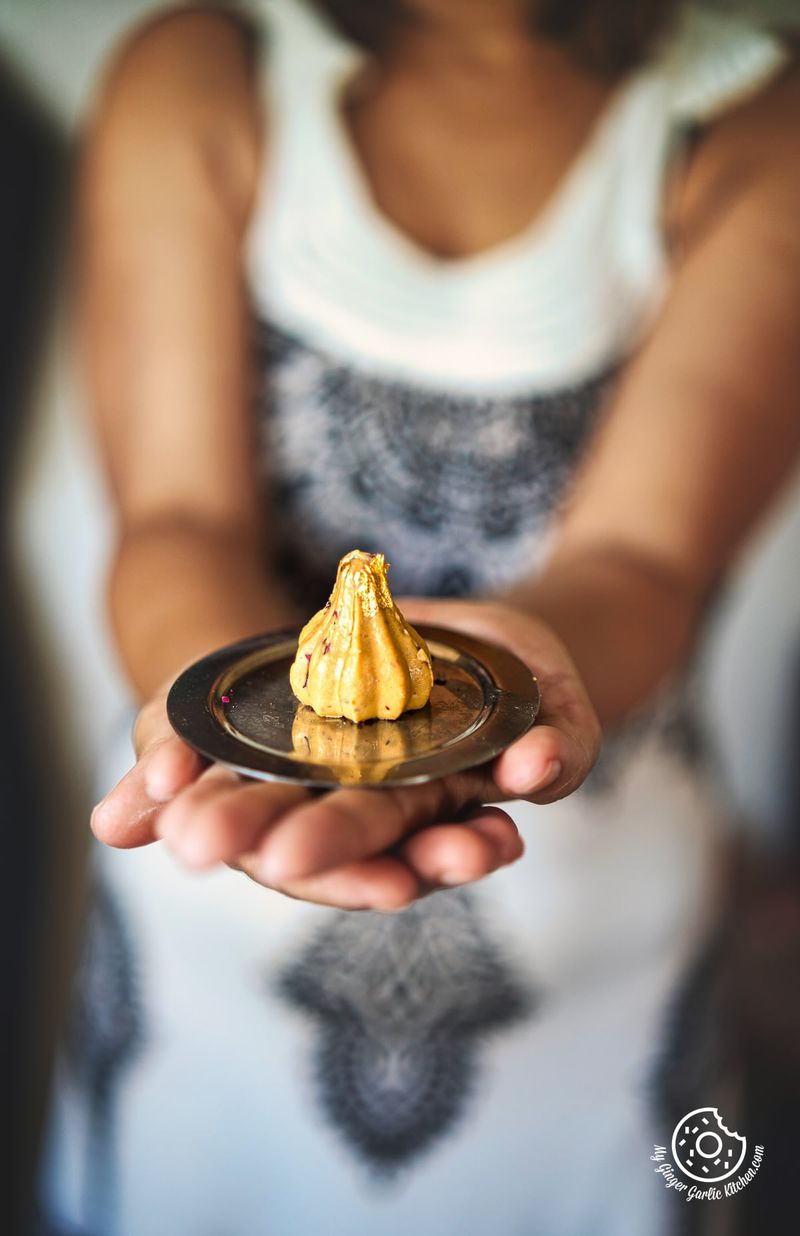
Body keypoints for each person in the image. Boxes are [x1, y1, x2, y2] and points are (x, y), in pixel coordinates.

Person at [38, 1, 800, 1233]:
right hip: (212, 929)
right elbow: (178, 520)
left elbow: (640, 561)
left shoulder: (751, 126)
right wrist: (245, 731)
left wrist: (508, 679)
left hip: (591, 944)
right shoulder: (205, 73)